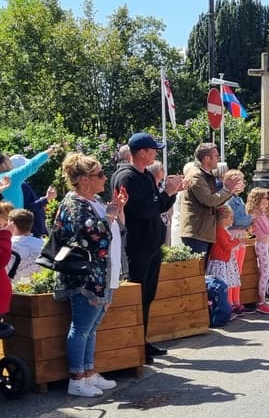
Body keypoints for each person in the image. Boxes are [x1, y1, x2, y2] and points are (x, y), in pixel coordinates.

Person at [54, 152, 128, 397]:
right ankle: (77, 377)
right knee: (82, 327)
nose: (105, 179)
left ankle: (88, 372)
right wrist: (109, 215)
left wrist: (117, 210)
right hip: (86, 277)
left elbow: (113, 230)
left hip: (102, 274)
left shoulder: (93, 201)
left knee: (91, 327)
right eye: (100, 175)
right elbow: (88, 236)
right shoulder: (74, 203)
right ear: (85, 179)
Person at [113, 132, 183, 361]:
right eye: (153, 149)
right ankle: (134, 345)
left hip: (151, 245)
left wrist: (171, 193)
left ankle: (142, 340)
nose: (156, 153)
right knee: (138, 294)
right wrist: (167, 193)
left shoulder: (143, 176)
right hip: (137, 245)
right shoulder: (127, 177)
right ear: (141, 152)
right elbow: (142, 210)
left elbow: (157, 206)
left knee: (148, 294)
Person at [180, 143, 244, 255]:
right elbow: (209, 200)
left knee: (205, 271)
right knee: (198, 271)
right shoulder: (196, 175)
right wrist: (227, 190)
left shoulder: (205, 174)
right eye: (216, 156)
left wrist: (229, 192)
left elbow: (214, 201)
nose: (218, 159)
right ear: (206, 158)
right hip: (197, 233)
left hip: (203, 232)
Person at [246, 187, 269, 315]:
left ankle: (263, 299)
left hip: (264, 244)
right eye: (265, 199)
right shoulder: (258, 214)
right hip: (261, 244)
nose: (268, 201)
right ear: (259, 200)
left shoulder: (260, 213)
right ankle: (261, 301)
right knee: (264, 272)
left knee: (264, 272)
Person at [224, 169, 252, 314]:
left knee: (238, 270)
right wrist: (252, 217)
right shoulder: (230, 199)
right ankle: (230, 301)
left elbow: (243, 221)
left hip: (240, 234)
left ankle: (236, 300)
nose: (242, 184)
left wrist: (247, 220)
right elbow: (238, 220)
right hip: (234, 234)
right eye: (239, 181)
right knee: (232, 270)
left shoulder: (238, 199)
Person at [10, 155, 57, 237]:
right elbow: (27, 208)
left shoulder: (19, 185)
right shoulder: (21, 185)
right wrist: (46, 199)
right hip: (30, 233)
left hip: (29, 231)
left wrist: (44, 201)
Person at [206, 205, 243, 309]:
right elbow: (226, 246)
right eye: (230, 217)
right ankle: (222, 307)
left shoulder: (223, 230)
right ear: (223, 219)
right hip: (219, 261)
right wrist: (237, 241)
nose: (232, 220)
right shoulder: (220, 231)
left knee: (224, 285)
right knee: (221, 284)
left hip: (223, 261)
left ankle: (226, 306)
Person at [8, 209, 44, 282]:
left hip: (11, 289)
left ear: (12, 224)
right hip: (39, 290)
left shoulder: (7, 244)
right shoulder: (43, 244)